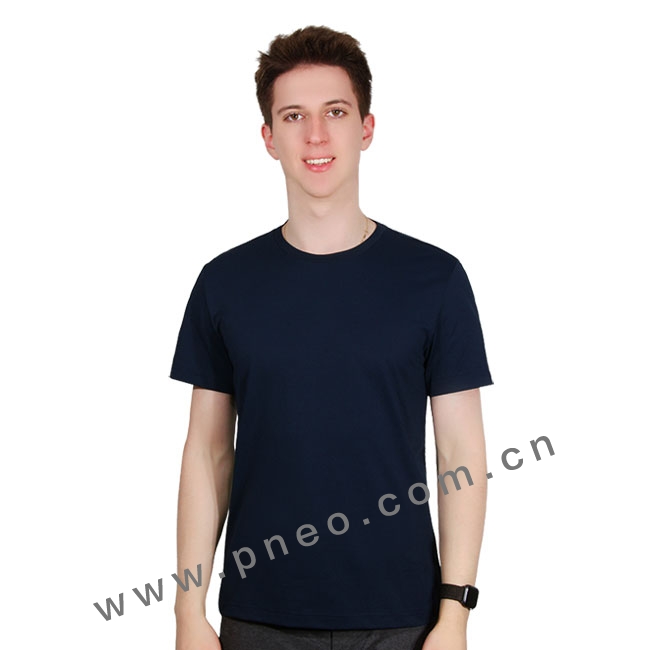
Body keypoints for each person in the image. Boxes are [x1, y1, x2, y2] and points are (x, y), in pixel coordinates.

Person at [170, 25, 493, 650]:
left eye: (335, 112)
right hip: (258, 617)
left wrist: (454, 614)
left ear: (366, 128)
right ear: (269, 137)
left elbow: (460, 454)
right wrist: (188, 611)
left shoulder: (436, 279)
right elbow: (207, 453)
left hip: (403, 620)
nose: (315, 135)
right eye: (293, 116)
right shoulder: (224, 283)